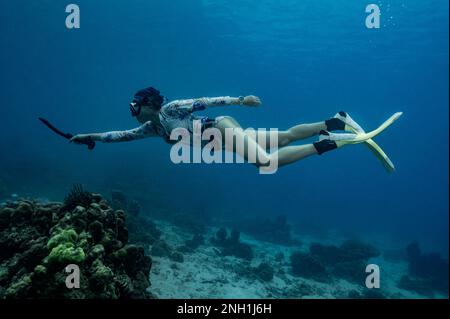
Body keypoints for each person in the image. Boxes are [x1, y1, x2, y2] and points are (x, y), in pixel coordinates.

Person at [70, 87, 399, 170]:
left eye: (135, 104)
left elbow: (206, 100)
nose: (132, 110)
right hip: (222, 142)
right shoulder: (151, 128)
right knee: (282, 137)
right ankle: (336, 121)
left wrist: (241, 100)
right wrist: (89, 137)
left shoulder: (171, 109)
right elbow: (118, 136)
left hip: (222, 127)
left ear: (149, 102)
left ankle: (338, 142)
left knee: (266, 163)